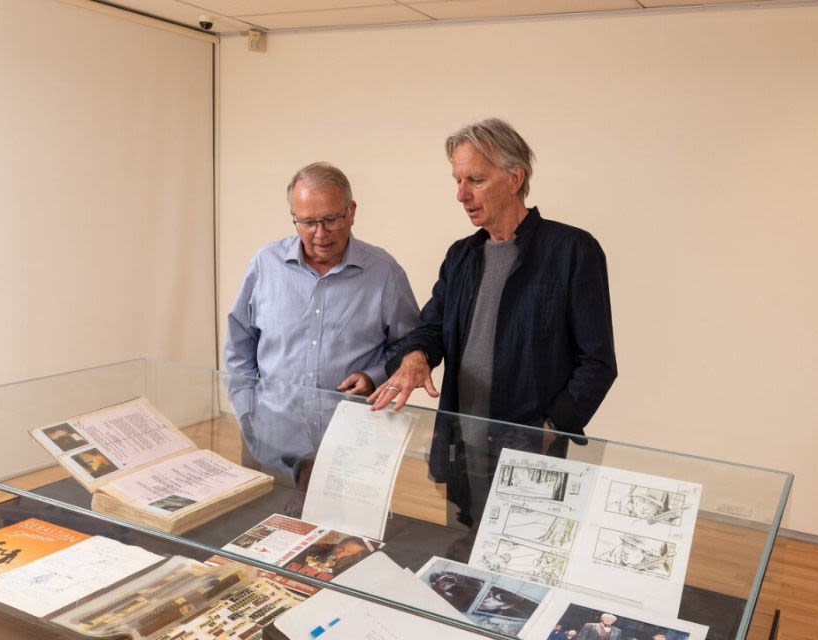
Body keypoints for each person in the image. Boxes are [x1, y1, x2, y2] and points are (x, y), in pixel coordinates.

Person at [369, 118, 617, 529]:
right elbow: (431, 327)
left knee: (524, 568)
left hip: (530, 455)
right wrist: (415, 356)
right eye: (457, 180)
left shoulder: (573, 251)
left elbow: (597, 362)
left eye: (476, 180)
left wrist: (549, 429)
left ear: (514, 178)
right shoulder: (461, 256)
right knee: (463, 563)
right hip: (461, 448)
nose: (461, 194)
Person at [224, 162, 420, 480]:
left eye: (330, 219)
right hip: (270, 445)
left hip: (352, 450)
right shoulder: (265, 265)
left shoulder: (384, 273)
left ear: (351, 211)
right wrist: (248, 412)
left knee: (347, 532)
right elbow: (239, 344)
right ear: (293, 216)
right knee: (260, 525)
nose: (320, 234)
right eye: (308, 222)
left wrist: (374, 375)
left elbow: (410, 346)